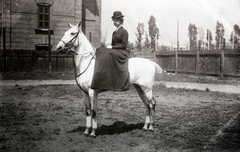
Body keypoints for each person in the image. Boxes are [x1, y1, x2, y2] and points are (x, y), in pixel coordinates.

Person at [91, 11, 130, 91]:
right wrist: (109, 46)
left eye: (116, 20)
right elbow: (113, 44)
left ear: (121, 21)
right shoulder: (114, 32)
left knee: (107, 52)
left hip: (122, 52)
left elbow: (123, 45)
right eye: (114, 21)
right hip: (115, 51)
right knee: (101, 50)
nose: (115, 22)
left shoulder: (124, 32)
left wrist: (111, 47)